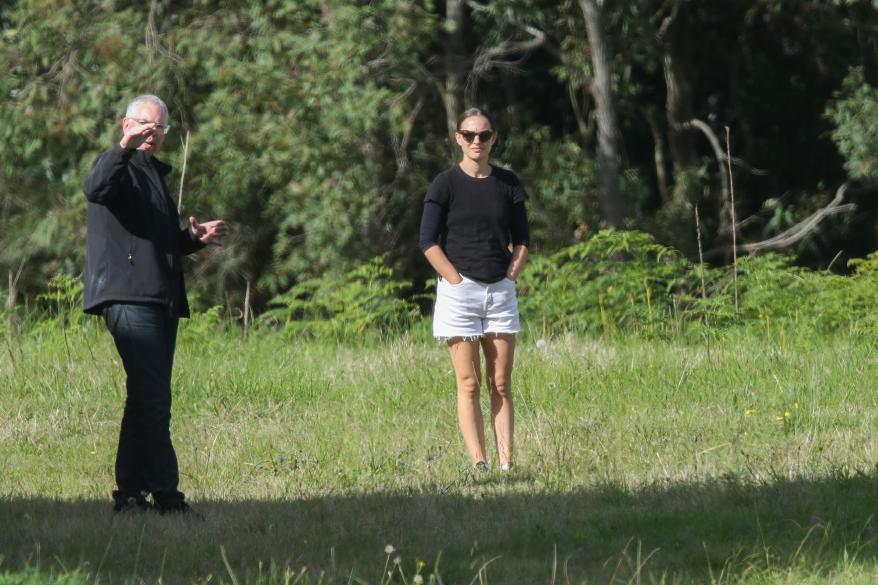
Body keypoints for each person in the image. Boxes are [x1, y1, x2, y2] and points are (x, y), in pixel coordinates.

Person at [83, 94, 228, 514]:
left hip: (158, 299)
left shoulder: (152, 175)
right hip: (127, 299)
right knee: (154, 400)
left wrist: (191, 239)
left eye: (159, 128)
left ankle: (129, 495)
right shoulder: (116, 165)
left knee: (144, 398)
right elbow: (95, 188)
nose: (152, 132)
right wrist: (125, 147)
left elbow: (154, 244)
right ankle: (169, 497)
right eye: (144, 124)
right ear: (126, 124)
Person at [418, 107, 530, 472]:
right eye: (469, 135)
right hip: (460, 293)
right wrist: (454, 280)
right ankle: (479, 462)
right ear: (458, 139)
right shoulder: (444, 184)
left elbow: (523, 239)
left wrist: (511, 275)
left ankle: (506, 464)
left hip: (500, 291)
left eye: (483, 135)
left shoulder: (508, 183)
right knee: (468, 383)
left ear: (494, 137)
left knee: (500, 382)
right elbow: (427, 241)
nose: (476, 141)